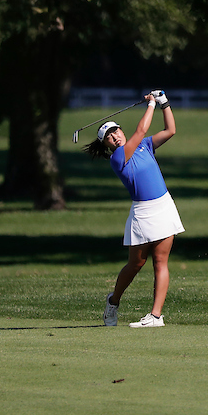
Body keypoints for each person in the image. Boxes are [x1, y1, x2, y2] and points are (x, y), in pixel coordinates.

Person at [82, 90, 183, 328]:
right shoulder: (118, 158)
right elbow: (140, 131)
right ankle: (113, 302)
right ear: (106, 145)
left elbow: (170, 131)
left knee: (161, 261)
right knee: (136, 264)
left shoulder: (146, 146)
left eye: (115, 131)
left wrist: (164, 103)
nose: (115, 137)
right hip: (143, 213)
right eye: (108, 137)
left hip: (164, 206)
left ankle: (156, 316)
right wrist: (150, 105)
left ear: (120, 130)